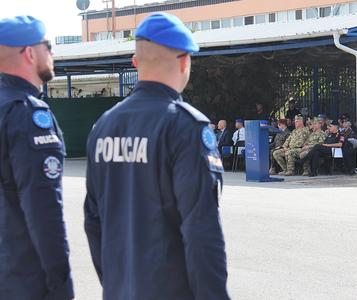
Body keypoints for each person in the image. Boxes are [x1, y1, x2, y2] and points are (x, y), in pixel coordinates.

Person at [84, 13, 230, 300]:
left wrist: (116, 284)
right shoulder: (184, 126)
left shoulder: (104, 125)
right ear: (185, 60)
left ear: (136, 62)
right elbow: (200, 230)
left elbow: (93, 221)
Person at [0, 16, 74, 299]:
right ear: (30, 53)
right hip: (24, 281)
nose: (52, 53)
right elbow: (43, 210)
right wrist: (61, 286)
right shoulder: (28, 115)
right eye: (48, 45)